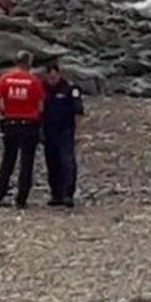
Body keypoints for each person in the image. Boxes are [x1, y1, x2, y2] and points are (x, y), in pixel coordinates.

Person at [0, 50, 45, 208]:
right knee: (27, 162)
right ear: (29, 63)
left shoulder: (5, 78)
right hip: (29, 124)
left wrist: (3, 112)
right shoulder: (34, 81)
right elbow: (41, 107)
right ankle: (21, 199)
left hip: (10, 122)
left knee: (8, 160)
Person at [41, 61, 84, 208]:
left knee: (67, 162)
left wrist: (78, 132)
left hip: (65, 130)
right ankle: (56, 194)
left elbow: (78, 112)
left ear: (59, 74)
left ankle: (68, 194)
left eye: (54, 77)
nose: (52, 80)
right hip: (48, 130)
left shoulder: (70, 89)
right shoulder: (42, 88)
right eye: (49, 77)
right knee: (52, 163)